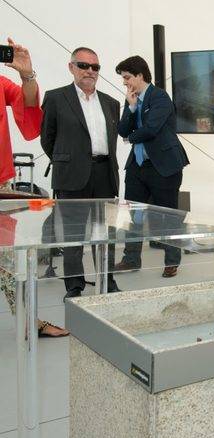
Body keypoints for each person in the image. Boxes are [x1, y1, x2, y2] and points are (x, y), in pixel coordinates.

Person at [41, 47, 121, 300]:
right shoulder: (56, 98)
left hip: (104, 174)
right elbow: (48, 138)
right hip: (72, 175)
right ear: (71, 67)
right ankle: (74, 286)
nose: (89, 71)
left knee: (104, 233)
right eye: (83, 65)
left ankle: (107, 282)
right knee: (73, 235)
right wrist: (67, 161)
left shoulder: (111, 103)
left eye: (95, 67)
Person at [0, 37, 68, 337]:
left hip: (1, 183)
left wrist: (26, 74)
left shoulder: (2, 82)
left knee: (10, 261)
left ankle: (30, 323)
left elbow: (27, 107)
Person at [114, 56, 189, 278]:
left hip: (164, 166)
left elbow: (150, 129)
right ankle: (130, 259)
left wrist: (130, 138)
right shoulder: (132, 99)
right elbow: (122, 129)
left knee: (169, 216)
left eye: (127, 77)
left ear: (139, 75)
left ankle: (172, 261)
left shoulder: (160, 98)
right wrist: (131, 107)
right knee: (134, 215)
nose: (125, 82)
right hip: (137, 166)